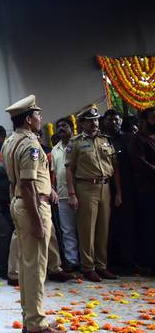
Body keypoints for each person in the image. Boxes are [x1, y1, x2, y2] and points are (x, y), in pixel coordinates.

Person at [2, 94, 66, 333]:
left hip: (21, 204)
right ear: (29, 119)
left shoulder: (11, 141)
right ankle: (37, 323)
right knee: (36, 268)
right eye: (38, 115)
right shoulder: (30, 144)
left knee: (28, 266)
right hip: (33, 207)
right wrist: (38, 222)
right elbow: (27, 185)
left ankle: (30, 320)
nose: (41, 119)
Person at [66, 105, 122, 282]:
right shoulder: (75, 143)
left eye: (96, 120)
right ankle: (88, 267)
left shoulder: (106, 140)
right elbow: (69, 170)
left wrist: (118, 191)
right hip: (85, 187)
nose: (94, 124)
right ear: (82, 123)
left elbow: (115, 168)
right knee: (87, 228)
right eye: (90, 121)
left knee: (103, 228)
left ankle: (101, 265)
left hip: (105, 187)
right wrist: (72, 193)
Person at [104, 109, 139, 274]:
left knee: (128, 226)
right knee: (109, 227)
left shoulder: (129, 138)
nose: (113, 122)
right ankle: (111, 263)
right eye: (109, 120)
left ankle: (129, 263)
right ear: (104, 122)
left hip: (129, 188)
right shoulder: (102, 140)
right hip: (105, 188)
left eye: (116, 120)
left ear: (120, 121)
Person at [50, 117, 79, 272]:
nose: (61, 128)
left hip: (81, 193)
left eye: (64, 126)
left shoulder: (78, 144)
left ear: (72, 127)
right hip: (62, 195)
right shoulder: (55, 149)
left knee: (84, 229)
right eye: (59, 126)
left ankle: (89, 262)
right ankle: (72, 261)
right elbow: (54, 172)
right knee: (67, 230)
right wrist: (53, 189)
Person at [130, 107, 155, 270]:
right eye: (153, 118)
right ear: (145, 121)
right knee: (151, 228)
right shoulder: (137, 139)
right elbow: (140, 163)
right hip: (148, 191)